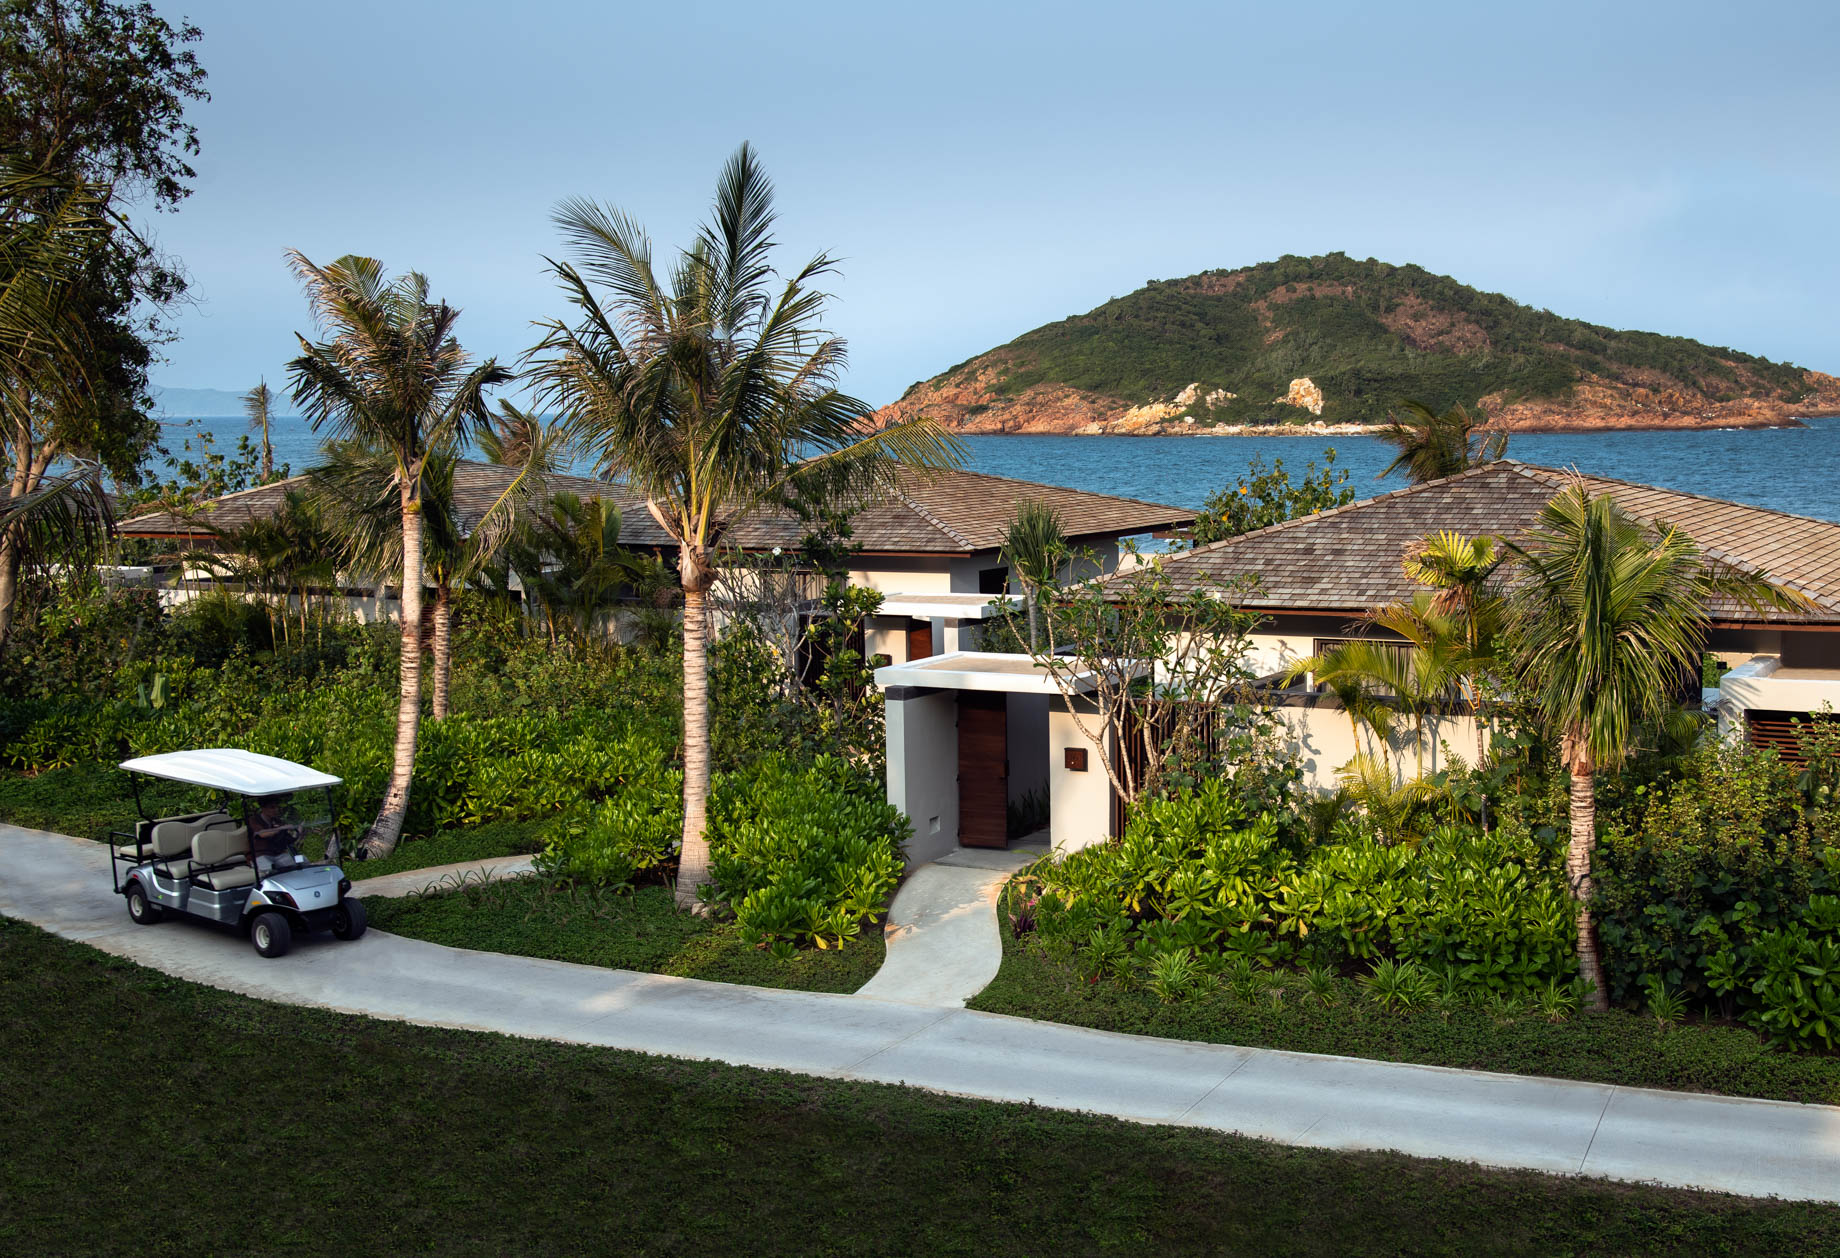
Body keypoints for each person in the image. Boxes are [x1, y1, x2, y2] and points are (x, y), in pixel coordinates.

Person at [249, 795, 301, 861]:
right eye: (272, 807)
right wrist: (281, 828)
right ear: (263, 808)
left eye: (277, 807)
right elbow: (262, 834)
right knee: (269, 868)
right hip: (261, 855)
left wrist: (296, 830)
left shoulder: (277, 820)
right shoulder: (254, 820)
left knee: (301, 861)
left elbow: (288, 835)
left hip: (277, 854)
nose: (276, 810)